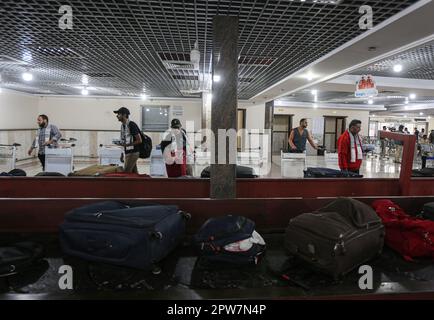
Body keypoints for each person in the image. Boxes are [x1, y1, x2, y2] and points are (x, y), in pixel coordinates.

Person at [114, 107, 142, 173]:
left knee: (126, 172)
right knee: (134, 173)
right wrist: (122, 153)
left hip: (133, 152)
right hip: (128, 152)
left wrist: (127, 145)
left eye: (119, 114)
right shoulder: (123, 126)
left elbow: (139, 140)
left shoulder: (131, 125)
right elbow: (124, 140)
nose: (117, 116)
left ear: (124, 115)